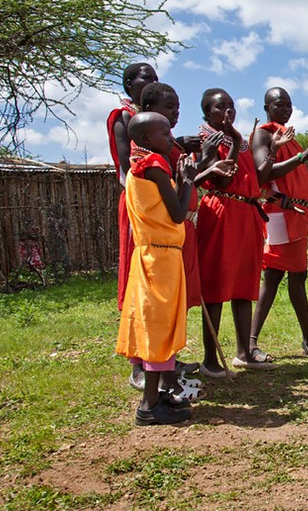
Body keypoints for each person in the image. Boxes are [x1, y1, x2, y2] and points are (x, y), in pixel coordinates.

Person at [138, 82, 231, 399]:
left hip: (176, 240)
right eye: (168, 110)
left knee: (176, 309)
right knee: (165, 315)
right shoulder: (151, 163)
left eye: (177, 108)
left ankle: (167, 381)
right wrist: (199, 165)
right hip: (162, 245)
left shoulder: (162, 156)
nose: (175, 115)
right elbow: (178, 202)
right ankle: (159, 389)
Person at [116, 111, 195, 425]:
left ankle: (160, 396)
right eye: (164, 133)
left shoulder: (138, 166)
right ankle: (149, 406)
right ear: (146, 139)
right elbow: (177, 213)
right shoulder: (154, 165)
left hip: (152, 253)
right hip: (161, 256)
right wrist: (187, 178)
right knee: (159, 327)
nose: (171, 136)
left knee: (157, 323)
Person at [249, 87, 308, 361]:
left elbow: (304, 177)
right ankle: (251, 344)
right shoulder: (264, 134)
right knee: (275, 277)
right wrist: (303, 156)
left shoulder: (290, 138)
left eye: (289, 104)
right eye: (279, 104)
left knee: (296, 277)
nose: (286, 109)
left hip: (296, 215)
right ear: (267, 107)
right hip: (278, 214)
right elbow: (264, 174)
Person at [196, 89, 268, 375]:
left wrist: (241, 142)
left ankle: (244, 352)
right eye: (220, 107)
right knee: (216, 284)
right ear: (207, 113)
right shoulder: (207, 139)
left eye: (231, 105)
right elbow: (223, 179)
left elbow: (255, 179)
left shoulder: (239, 140)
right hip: (222, 212)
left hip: (247, 213)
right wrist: (235, 142)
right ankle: (210, 359)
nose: (228, 111)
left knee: (244, 284)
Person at [106, 62, 158, 390]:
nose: (152, 83)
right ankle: (137, 361)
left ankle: (158, 354)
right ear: (128, 84)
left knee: (159, 284)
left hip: (162, 206)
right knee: (138, 279)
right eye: (144, 79)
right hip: (140, 204)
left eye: (155, 77)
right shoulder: (123, 118)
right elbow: (128, 168)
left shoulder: (158, 122)